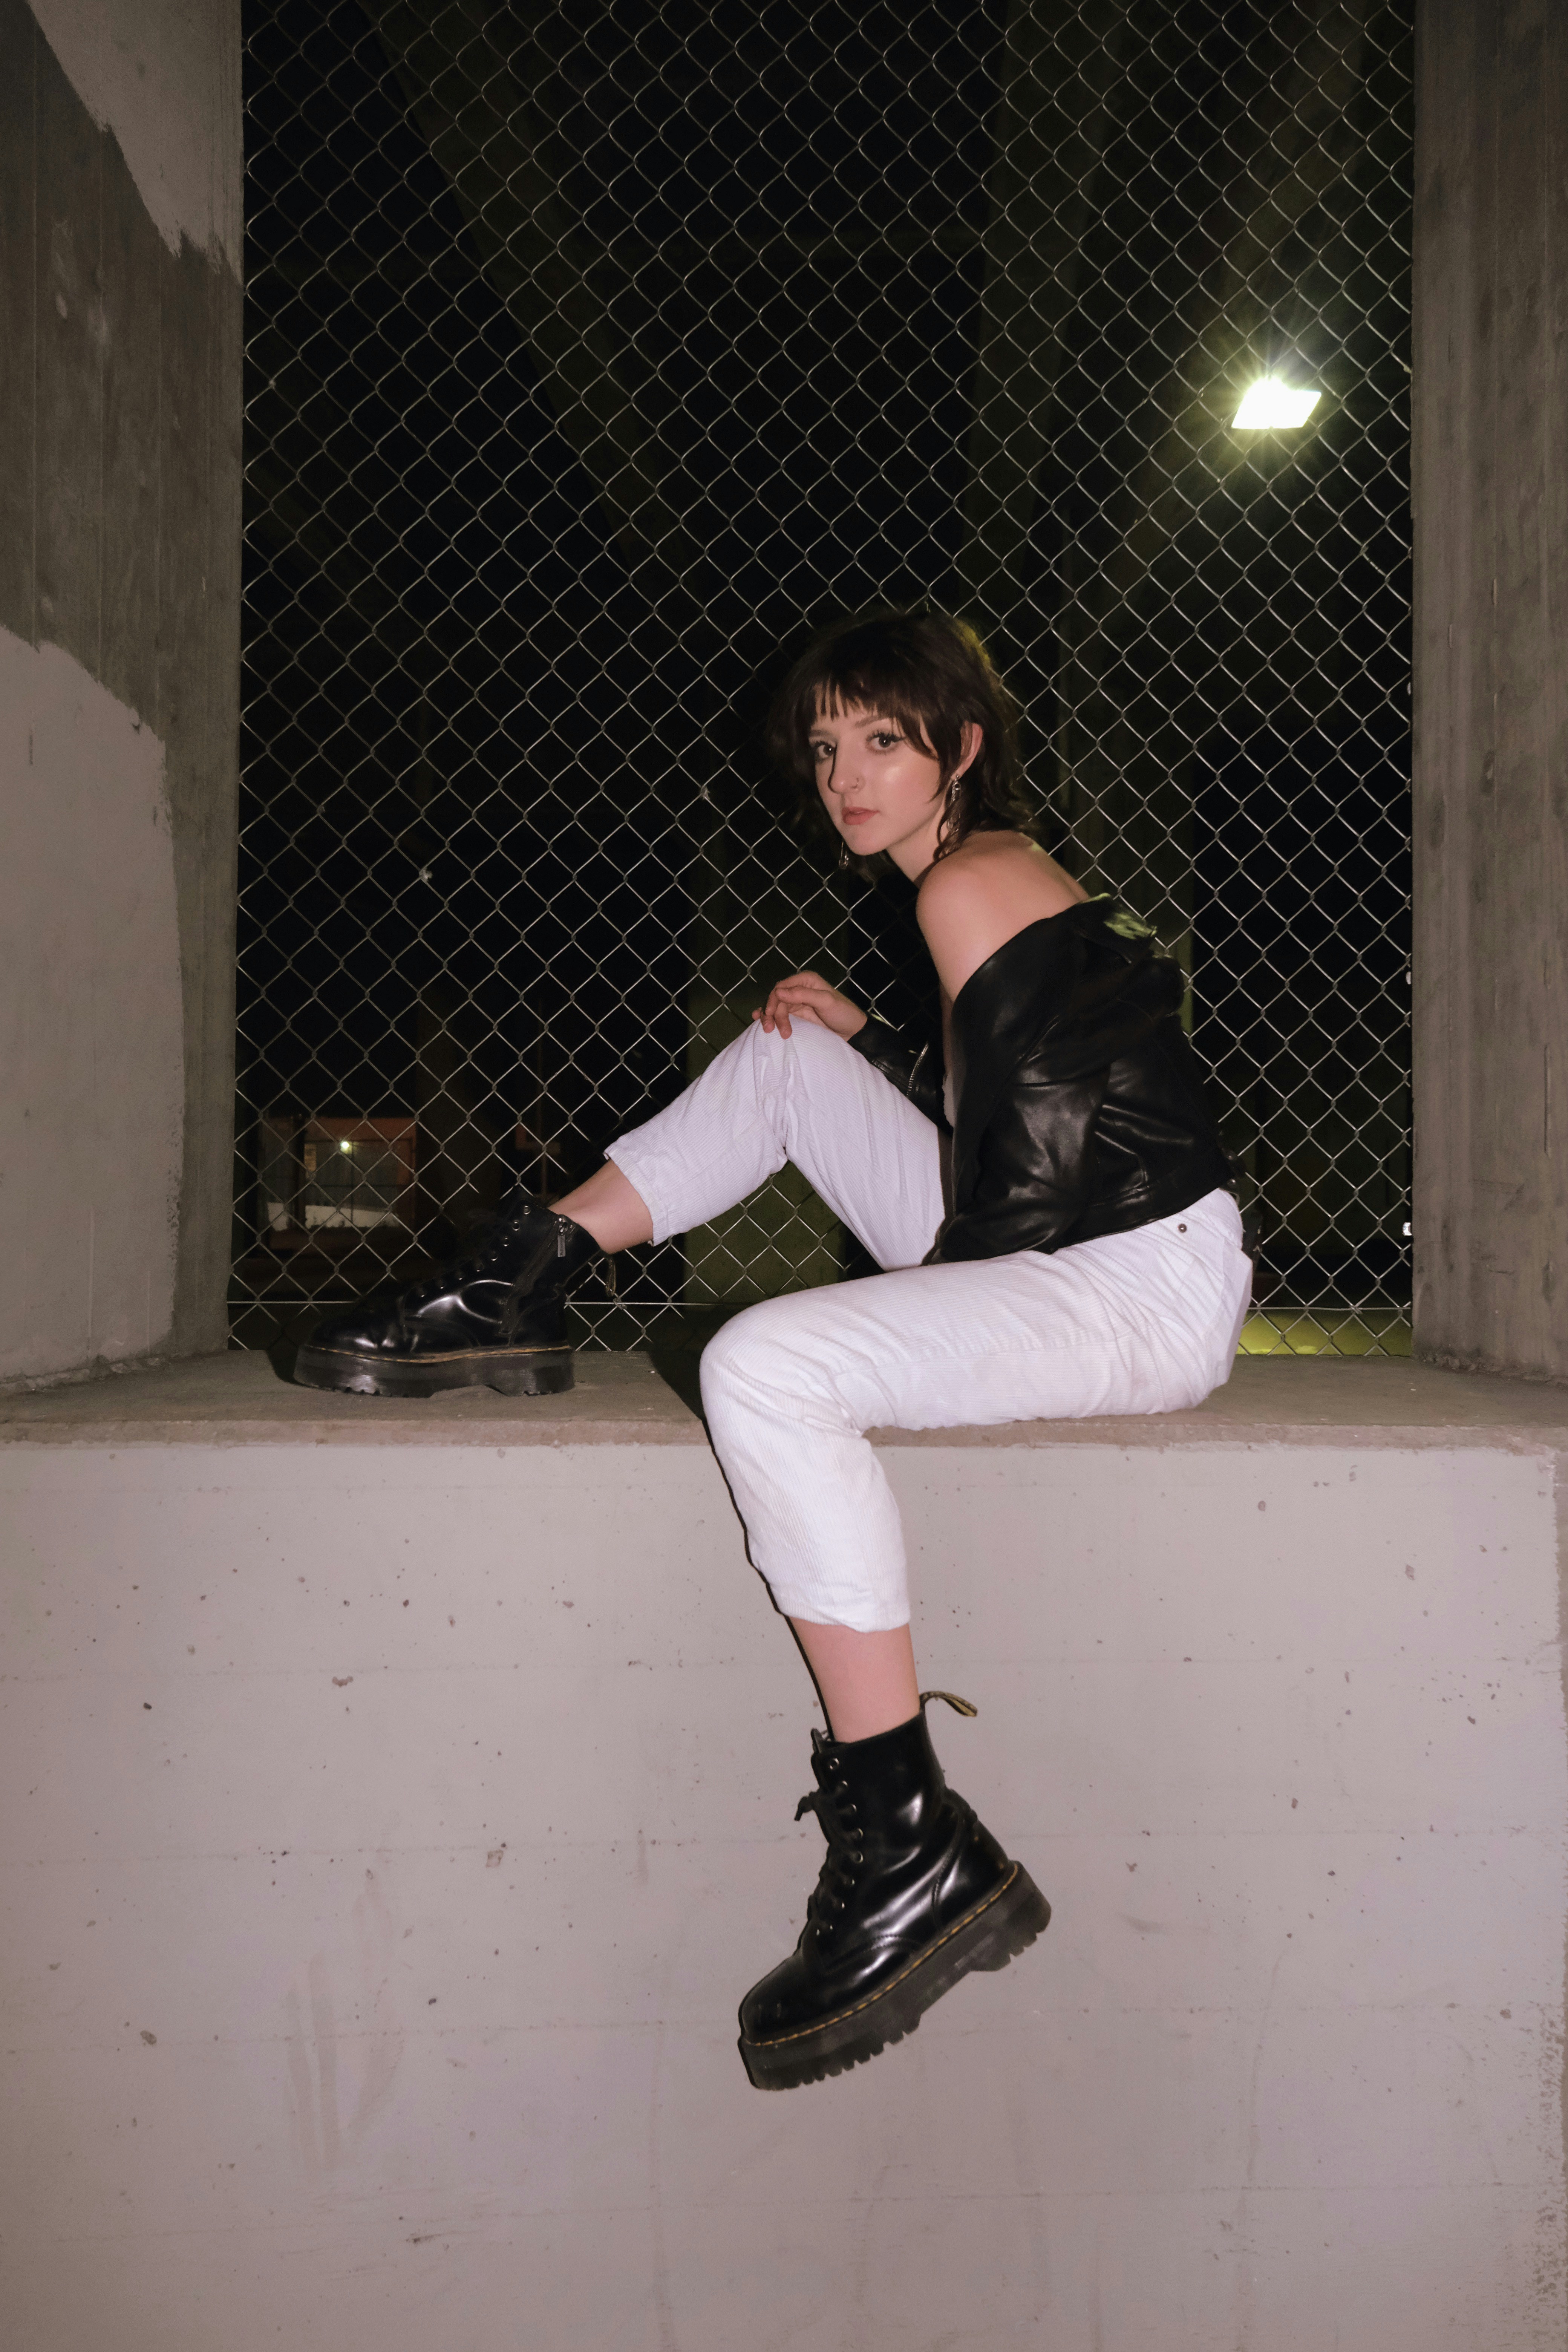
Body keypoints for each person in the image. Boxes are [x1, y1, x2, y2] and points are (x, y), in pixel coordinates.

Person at [294, 608, 1252, 2090]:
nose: (844, 776)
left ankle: (912, 1837)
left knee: (766, 1366)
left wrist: (908, 1324)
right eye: (824, 748)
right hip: (1107, 1243)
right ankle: (519, 1279)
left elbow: (1029, 1200)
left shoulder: (973, 887)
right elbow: (1021, 1117)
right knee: (792, 1046)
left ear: (961, 753)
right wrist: (871, 1049)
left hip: (1126, 1283)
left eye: (881, 741)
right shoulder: (976, 886)